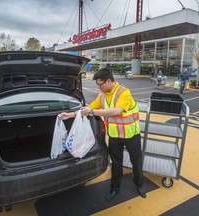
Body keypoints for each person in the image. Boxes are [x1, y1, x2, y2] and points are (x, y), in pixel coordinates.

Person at [58, 68, 146, 202]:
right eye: (97, 85)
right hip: (114, 136)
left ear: (109, 81)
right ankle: (114, 188)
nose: (99, 88)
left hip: (131, 135)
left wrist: (93, 112)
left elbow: (117, 111)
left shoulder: (124, 92)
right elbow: (86, 111)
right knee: (116, 164)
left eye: (100, 84)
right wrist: (70, 115)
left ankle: (139, 184)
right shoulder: (103, 96)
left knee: (136, 162)